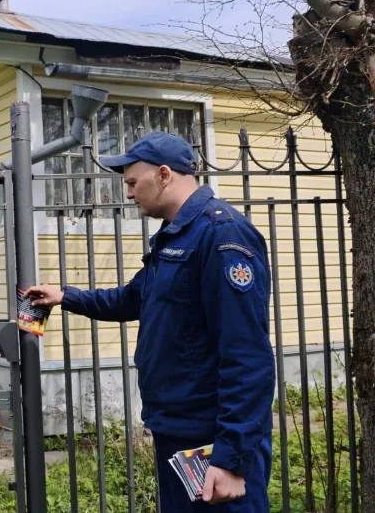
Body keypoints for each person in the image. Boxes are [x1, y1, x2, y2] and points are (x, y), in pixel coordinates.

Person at [25, 132, 275, 512]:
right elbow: (132, 298)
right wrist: (65, 296)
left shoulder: (221, 235)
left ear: (163, 174)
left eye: (132, 182)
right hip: (176, 431)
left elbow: (248, 357)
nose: (128, 194)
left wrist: (231, 457)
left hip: (212, 440)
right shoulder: (175, 236)